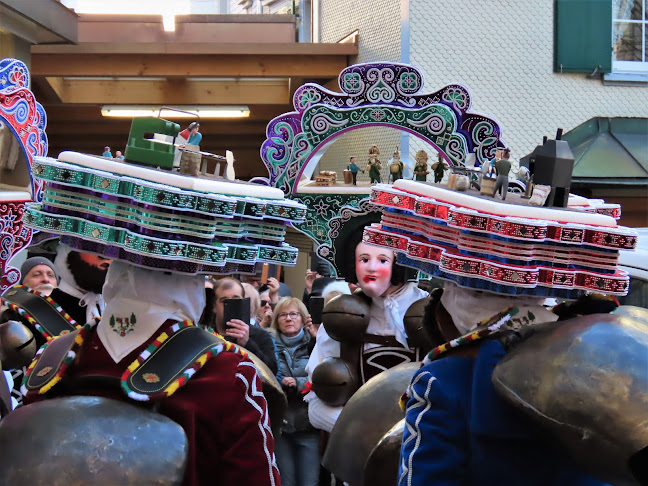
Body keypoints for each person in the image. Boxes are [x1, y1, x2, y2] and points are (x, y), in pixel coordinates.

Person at [305, 237, 428, 433]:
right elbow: (316, 405)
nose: (371, 268)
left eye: (381, 259)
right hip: (357, 452)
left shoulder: (434, 311)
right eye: (364, 259)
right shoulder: (340, 314)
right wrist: (362, 434)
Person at [268, 297, 319, 486]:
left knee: (309, 482)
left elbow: (323, 376)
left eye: (293, 314)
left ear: (303, 317)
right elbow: (265, 373)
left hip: (308, 424)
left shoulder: (314, 343)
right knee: (285, 482)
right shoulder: (268, 343)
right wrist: (280, 382)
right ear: (276, 319)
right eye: (283, 315)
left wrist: (298, 383)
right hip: (281, 424)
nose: (288, 318)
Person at [212, 277, 278, 374]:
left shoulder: (260, 335)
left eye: (236, 300)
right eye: (225, 301)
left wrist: (247, 343)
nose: (231, 305)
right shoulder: (206, 334)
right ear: (214, 306)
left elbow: (271, 372)